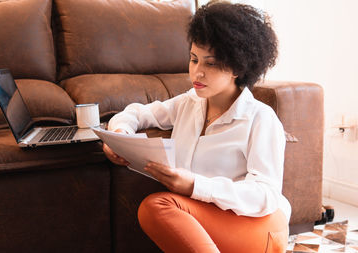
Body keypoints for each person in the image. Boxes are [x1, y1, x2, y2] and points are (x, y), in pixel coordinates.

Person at [103, 1, 291, 252]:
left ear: (238, 67)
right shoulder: (189, 102)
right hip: (202, 219)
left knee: (158, 206)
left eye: (210, 63)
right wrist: (119, 135)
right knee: (158, 207)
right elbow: (137, 113)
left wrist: (195, 186)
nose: (197, 73)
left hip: (258, 225)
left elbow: (265, 195)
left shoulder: (260, 118)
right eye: (194, 60)